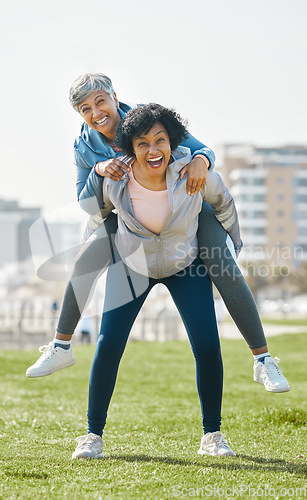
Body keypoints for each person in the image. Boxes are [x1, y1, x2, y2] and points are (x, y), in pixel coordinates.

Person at [26, 73, 290, 395]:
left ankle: (263, 360)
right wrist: (98, 170)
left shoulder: (147, 119)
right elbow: (86, 202)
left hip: (183, 203)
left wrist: (202, 162)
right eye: (85, 109)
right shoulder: (84, 145)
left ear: (113, 96)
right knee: (87, 260)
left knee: (223, 265)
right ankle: (61, 347)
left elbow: (202, 149)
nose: (95, 113)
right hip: (129, 215)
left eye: (99, 101)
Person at [73, 103, 241, 459]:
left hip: (185, 266)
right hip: (132, 266)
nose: (153, 150)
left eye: (160, 141)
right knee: (107, 345)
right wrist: (90, 245)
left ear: (172, 142)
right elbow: (94, 215)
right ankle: (92, 435)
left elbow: (224, 204)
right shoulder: (115, 181)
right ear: (130, 150)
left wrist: (231, 247)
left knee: (208, 345)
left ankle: (212, 434)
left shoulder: (191, 174)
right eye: (142, 144)